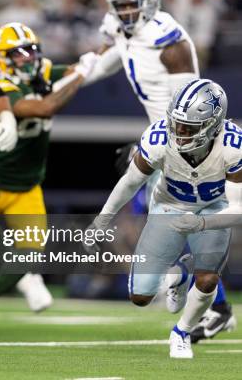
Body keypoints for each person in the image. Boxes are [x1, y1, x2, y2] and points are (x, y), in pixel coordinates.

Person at [83, 0, 234, 339]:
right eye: (121, 6)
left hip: (183, 146)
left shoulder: (169, 39)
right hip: (162, 137)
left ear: (151, 1)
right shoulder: (120, 27)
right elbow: (104, 50)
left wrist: (154, 145)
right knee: (149, 212)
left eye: (132, 3)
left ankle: (209, 299)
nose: (127, 12)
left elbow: (185, 113)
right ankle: (211, 301)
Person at [0, 22, 97, 336]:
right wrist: (81, 74)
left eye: (32, 49)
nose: (29, 57)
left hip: (27, 186)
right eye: (19, 52)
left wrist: (109, 47)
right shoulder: (1, 86)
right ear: (3, 58)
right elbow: (45, 108)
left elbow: (88, 65)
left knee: (31, 253)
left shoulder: (44, 72)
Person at [84, 79, 240, 359]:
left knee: (207, 280)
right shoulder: (158, 138)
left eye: (188, 127)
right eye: (177, 123)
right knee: (141, 297)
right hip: (168, 207)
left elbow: (238, 209)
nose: (179, 132)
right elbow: (130, 182)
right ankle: (180, 272)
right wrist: (101, 221)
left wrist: (202, 223)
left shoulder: (233, 146)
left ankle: (181, 332)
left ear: (213, 125)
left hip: (215, 209)